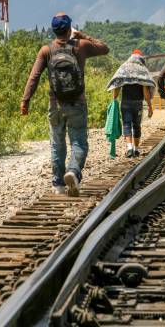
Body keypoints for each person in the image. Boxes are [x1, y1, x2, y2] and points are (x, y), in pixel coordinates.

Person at [21, 12, 109, 196]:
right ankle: (73, 172)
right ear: (69, 28)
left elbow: (34, 77)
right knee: (78, 142)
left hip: (55, 104)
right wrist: (83, 35)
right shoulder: (81, 46)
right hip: (77, 103)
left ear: (54, 30)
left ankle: (58, 184)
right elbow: (104, 48)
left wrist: (25, 101)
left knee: (57, 145)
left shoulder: (46, 50)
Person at [107, 49, 155, 158]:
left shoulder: (124, 68)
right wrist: (150, 106)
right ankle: (136, 149)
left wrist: (114, 99)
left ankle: (129, 148)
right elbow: (146, 91)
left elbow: (117, 84)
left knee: (127, 124)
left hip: (125, 102)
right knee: (137, 126)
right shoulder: (143, 70)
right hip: (138, 103)